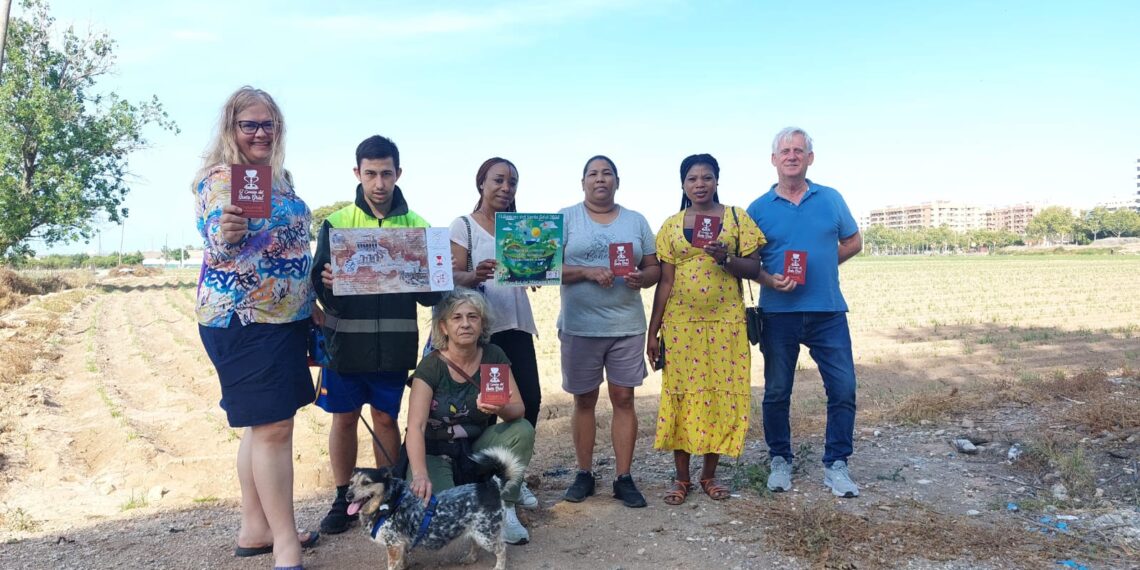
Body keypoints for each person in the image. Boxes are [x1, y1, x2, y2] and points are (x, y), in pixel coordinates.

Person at [193, 86, 318, 569]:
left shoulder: (279, 179)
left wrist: (312, 302)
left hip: (285, 318)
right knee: (274, 428)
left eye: (269, 124)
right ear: (231, 129)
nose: (261, 132)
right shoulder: (220, 179)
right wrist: (224, 234)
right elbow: (217, 238)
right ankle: (285, 546)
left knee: (260, 426)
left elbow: (289, 249)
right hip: (243, 318)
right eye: (250, 124)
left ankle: (256, 527)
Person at [310, 135, 441, 534]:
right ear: (357, 173)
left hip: (395, 346)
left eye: (386, 173)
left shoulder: (418, 226)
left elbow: (432, 295)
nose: (379, 182)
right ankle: (341, 497)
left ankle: (389, 496)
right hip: (345, 345)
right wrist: (328, 280)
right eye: (371, 173)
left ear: (398, 173)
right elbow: (319, 283)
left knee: (386, 418)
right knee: (344, 420)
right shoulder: (337, 223)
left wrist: (424, 273)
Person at [746, 127, 863, 498]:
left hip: (828, 311)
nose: (792, 156)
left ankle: (837, 464)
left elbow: (853, 241)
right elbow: (750, 263)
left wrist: (825, 264)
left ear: (810, 158)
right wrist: (769, 278)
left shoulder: (831, 199)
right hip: (778, 314)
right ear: (774, 160)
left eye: (799, 150)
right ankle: (780, 459)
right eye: (785, 151)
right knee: (777, 392)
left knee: (843, 388)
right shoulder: (758, 209)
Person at [647, 154, 766, 505]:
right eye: (692, 179)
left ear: (717, 181)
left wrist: (725, 258)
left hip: (726, 324)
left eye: (707, 177)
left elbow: (755, 267)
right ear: (682, 185)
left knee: (719, 393)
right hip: (681, 327)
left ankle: (710, 475)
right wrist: (652, 332)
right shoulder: (671, 225)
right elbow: (665, 282)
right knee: (682, 394)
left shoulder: (736, 218)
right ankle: (681, 478)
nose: (700, 184)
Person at [558, 155, 660, 508]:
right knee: (584, 400)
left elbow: (653, 267)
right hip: (580, 325)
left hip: (626, 325)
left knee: (624, 399)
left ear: (617, 181)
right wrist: (586, 272)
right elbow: (543, 266)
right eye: (593, 174)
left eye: (607, 174)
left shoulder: (636, 221)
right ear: (582, 181)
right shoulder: (565, 218)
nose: (600, 179)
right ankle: (584, 473)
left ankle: (623, 477)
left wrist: (641, 278)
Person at [406, 288, 536, 544]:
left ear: (482, 323)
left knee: (522, 429)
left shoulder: (493, 355)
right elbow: (416, 427)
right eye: (457, 318)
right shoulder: (431, 366)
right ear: (443, 326)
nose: (465, 324)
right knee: (446, 521)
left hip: (475, 448)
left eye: (473, 317)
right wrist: (420, 474)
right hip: (436, 451)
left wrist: (499, 409)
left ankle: (505, 508)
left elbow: (519, 409)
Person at [448, 157, 542, 508]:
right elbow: (452, 275)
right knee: (491, 408)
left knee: (530, 399)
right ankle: (488, 482)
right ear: (481, 183)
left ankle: (514, 475)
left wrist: (535, 273)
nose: (506, 188)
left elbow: (531, 269)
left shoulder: (521, 227)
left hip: (517, 324)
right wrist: (475, 275)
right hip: (484, 332)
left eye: (512, 182)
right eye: (498, 180)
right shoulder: (463, 226)